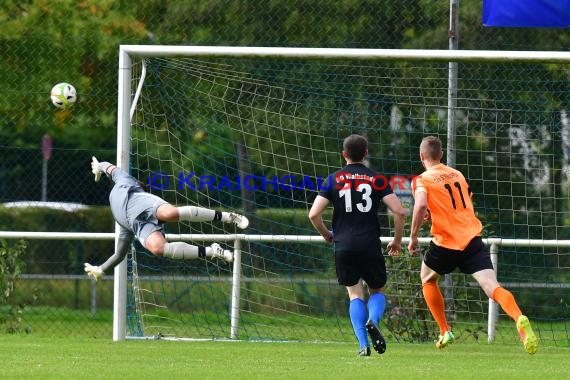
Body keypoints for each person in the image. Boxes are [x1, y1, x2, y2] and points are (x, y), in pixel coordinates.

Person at [407, 135, 538, 354]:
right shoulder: (457, 174)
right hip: (471, 239)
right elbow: (463, 200)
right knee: (492, 287)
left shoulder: (422, 179)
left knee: (427, 280)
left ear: (422, 156)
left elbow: (420, 205)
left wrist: (412, 237)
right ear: (441, 155)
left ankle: (444, 330)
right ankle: (519, 317)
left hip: (445, 242)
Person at [308, 134, 406, 357]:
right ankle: (374, 319)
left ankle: (363, 345)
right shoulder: (378, 179)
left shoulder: (333, 179)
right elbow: (399, 211)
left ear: (344, 154)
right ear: (366, 153)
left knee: (354, 294)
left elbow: (313, 214)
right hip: (370, 244)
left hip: (343, 245)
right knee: (377, 290)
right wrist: (397, 240)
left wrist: (327, 235)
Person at [83, 156, 249, 280]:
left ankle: (228, 216)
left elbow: (108, 167)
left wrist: (99, 166)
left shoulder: (129, 183)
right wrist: (101, 270)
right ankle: (213, 251)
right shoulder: (124, 220)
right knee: (158, 248)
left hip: (141, 203)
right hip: (139, 225)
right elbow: (119, 254)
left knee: (171, 214)